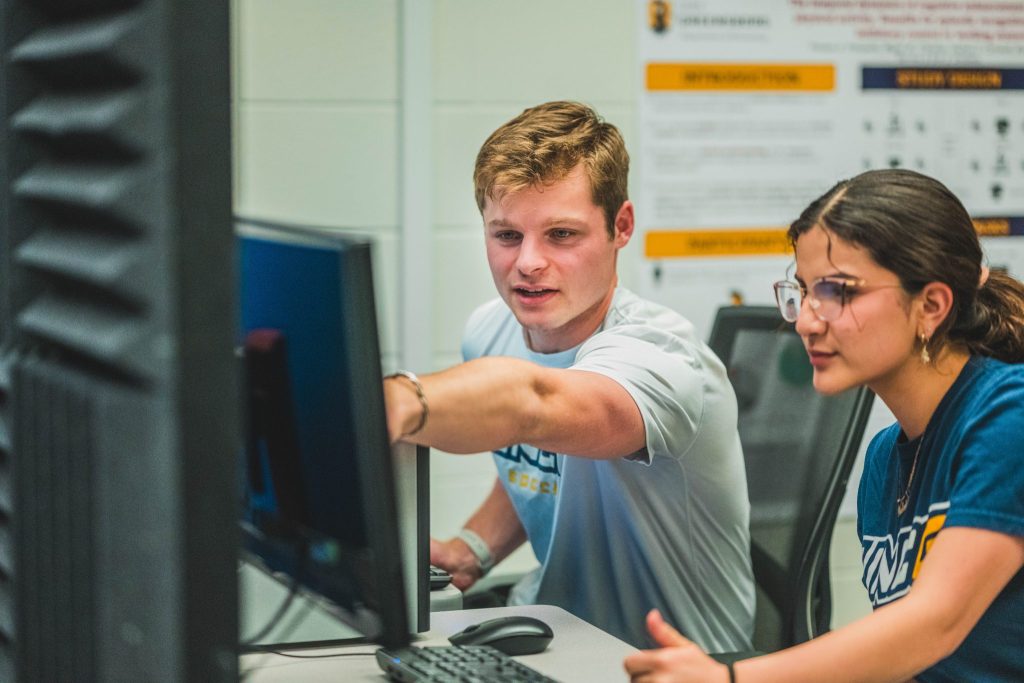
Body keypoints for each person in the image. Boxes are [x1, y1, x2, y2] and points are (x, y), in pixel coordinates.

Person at [624, 168, 1024, 682]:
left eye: (838, 292)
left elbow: (934, 625)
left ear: (931, 306)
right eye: (804, 291)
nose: (807, 321)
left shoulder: (1008, 415)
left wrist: (732, 680)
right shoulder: (886, 457)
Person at [383, 101, 754, 650]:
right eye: (507, 235)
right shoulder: (490, 329)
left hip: (666, 660)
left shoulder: (662, 355)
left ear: (620, 226)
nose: (528, 263)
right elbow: (543, 455)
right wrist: (472, 549)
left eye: (561, 234)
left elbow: (534, 406)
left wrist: (397, 402)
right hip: (558, 636)